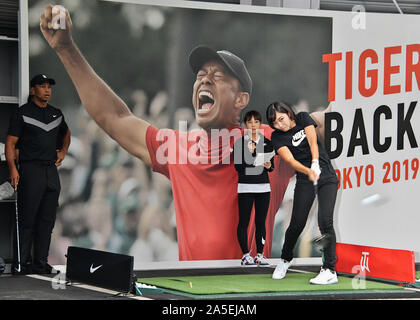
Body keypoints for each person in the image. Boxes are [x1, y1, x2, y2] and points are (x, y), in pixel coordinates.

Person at [39, 5, 295, 260]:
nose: (205, 80)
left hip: (249, 296)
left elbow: (323, 125)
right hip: (190, 296)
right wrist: (66, 49)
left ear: (241, 100)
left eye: (217, 75)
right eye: (201, 75)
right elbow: (115, 118)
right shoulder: (177, 148)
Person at [267, 101, 339, 285]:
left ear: (288, 113)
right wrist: (308, 171)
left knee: (326, 223)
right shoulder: (277, 137)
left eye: (281, 119)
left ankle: (329, 270)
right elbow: (290, 160)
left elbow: (313, 139)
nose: (279, 125)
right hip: (305, 179)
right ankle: (285, 259)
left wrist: (315, 162)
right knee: (297, 223)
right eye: (275, 122)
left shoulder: (302, 118)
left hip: (326, 176)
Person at [5, 74, 71, 275]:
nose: (47, 90)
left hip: (50, 171)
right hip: (30, 169)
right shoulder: (22, 113)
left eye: (49, 87)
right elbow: (10, 143)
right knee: (27, 220)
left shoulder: (56, 114)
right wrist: (13, 169)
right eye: (42, 86)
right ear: (33, 90)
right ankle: (21, 264)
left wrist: (63, 152)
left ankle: (40, 264)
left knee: (46, 221)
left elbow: (66, 135)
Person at [234, 110, 274, 266]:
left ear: (260, 124)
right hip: (245, 188)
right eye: (250, 122)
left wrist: (269, 166)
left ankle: (260, 254)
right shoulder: (239, 143)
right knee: (243, 222)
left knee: (261, 222)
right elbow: (238, 167)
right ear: (245, 124)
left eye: (256, 122)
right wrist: (251, 156)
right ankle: (245, 255)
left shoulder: (267, 142)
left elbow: (271, 167)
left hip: (263, 188)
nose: (253, 125)